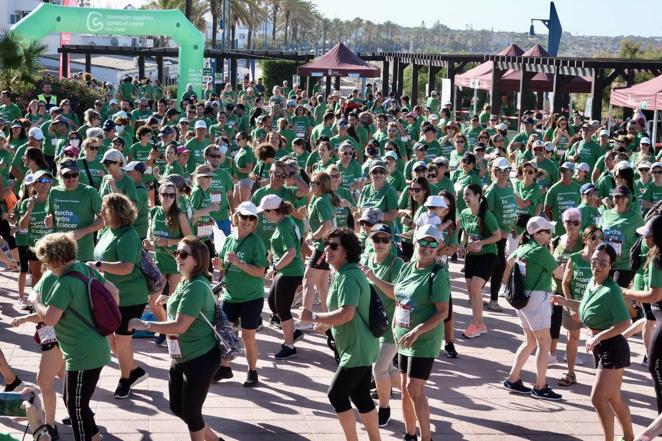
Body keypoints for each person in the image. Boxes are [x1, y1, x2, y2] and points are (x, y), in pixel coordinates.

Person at [128, 236, 223, 441]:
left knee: (191, 412)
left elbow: (180, 326)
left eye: (183, 254)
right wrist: (170, 299)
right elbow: (188, 307)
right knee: (178, 408)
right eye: (177, 252)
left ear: (197, 260)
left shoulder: (196, 286)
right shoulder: (186, 281)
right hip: (181, 354)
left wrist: (142, 324)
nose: (177, 257)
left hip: (200, 358)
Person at [30, 232, 116, 441]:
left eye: (47, 261)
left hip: (82, 355)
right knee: (74, 401)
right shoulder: (85, 268)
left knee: (76, 409)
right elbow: (114, 292)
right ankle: (95, 436)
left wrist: (35, 300)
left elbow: (50, 319)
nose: (46, 266)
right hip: (94, 346)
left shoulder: (64, 283)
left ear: (56, 259)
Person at [300, 228, 381, 441]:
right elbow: (345, 313)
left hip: (357, 348)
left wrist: (314, 317)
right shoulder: (344, 273)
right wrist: (326, 324)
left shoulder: (348, 276)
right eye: (327, 244)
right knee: (361, 396)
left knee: (336, 394)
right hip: (359, 346)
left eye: (334, 246)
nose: (327, 249)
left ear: (347, 251)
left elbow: (346, 313)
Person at [370, 224, 449, 441]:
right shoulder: (407, 267)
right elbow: (398, 297)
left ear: (438, 246)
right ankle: (410, 434)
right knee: (405, 388)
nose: (427, 247)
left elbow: (443, 312)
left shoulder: (437, 273)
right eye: (423, 242)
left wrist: (417, 330)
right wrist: (395, 325)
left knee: (415, 389)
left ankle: (427, 438)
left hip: (424, 339)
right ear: (415, 242)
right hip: (403, 336)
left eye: (432, 243)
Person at [553, 243, 633, 441]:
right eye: (595, 262)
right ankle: (630, 438)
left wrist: (598, 336)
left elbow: (624, 322)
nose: (597, 266)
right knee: (613, 398)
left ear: (611, 265)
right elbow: (587, 305)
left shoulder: (612, 290)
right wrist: (564, 301)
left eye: (603, 263)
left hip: (612, 347)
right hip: (602, 347)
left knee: (598, 399)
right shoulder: (593, 282)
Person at [93, 193, 149, 399]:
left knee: (122, 342)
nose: (100, 214)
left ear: (116, 212)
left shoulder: (129, 235)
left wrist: (98, 265)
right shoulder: (107, 231)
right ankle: (134, 370)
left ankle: (125, 380)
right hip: (109, 296)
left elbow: (126, 267)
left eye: (104, 210)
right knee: (112, 342)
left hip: (130, 297)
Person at [502, 216, 563, 401]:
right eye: (548, 232)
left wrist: (507, 284)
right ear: (538, 234)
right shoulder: (540, 252)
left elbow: (508, 263)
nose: (550, 234)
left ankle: (513, 378)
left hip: (522, 298)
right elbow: (559, 274)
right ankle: (540, 386)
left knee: (530, 341)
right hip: (537, 298)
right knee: (544, 344)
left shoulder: (523, 248)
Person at [217, 202, 267, 386]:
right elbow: (224, 265)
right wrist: (219, 265)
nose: (247, 221)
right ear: (236, 216)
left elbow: (261, 271)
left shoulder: (256, 242)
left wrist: (240, 264)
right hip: (230, 296)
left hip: (251, 297)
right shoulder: (230, 239)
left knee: (248, 337)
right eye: (244, 217)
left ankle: (252, 371)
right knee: (223, 333)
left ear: (255, 221)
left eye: (251, 218)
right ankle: (224, 367)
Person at [360, 223, 404, 428]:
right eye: (376, 239)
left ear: (391, 241)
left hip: (393, 324)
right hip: (373, 323)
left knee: (378, 369)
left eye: (385, 239)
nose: (380, 243)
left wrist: (373, 278)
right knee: (388, 369)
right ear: (370, 240)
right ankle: (413, 389)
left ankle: (384, 408)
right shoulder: (367, 259)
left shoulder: (396, 263)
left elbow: (396, 294)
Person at [622, 217, 662, 412]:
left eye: (649, 236)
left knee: (655, 366)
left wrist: (627, 293)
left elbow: (655, 294)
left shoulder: (658, 259)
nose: (645, 239)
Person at [259, 194, 305, 359]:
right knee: (272, 302)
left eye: (265, 212)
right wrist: (273, 254)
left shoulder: (285, 225)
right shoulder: (284, 222)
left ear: (274, 211)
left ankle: (289, 345)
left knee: (283, 309)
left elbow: (291, 252)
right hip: (286, 270)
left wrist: (276, 267)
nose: (264, 215)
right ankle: (293, 331)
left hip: (290, 272)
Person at [559, 225, 604, 386]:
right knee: (573, 338)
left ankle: (601, 379)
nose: (598, 241)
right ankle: (571, 374)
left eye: (600, 238)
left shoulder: (603, 261)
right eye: (594, 238)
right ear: (585, 239)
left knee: (597, 340)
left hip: (594, 307)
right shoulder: (575, 258)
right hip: (575, 305)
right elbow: (565, 283)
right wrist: (570, 306)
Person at [459, 184, 501, 338]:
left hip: (488, 255)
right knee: (471, 293)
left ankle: (475, 325)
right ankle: (481, 324)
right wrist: (462, 245)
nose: (465, 198)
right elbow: (464, 231)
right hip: (471, 256)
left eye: (468, 194)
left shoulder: (486, 215)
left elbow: (497, 235)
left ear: (478, 196)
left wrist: (481, 243)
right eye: (464, 195)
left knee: (476, 289)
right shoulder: (464, 213)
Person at [45, 160, 103, 262]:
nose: (71, 178)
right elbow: (51, 216)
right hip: (60, 251)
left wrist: (83, 231)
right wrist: (50, 221)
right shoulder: (54, 192)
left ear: (79, 174)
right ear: (60, 175)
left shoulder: (90, 192)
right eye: (67, 175)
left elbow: (104, 219)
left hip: (83, 253)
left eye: (74, 174)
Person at [485, 157, 518, 311]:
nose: (505, 173)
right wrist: (497, 231)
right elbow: (486, 214)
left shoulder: (508, 187)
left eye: (507, 170)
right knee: (497, 266)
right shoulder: (493, 190)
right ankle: (491, 300)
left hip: (505, 234)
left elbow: (510, 209)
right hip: (496, 236)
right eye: (501, 170)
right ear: (495, 171)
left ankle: (485, 296)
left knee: (497, 266)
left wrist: (513, 226)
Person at [599, 186, 645, 290]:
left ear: (628, 198)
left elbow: (643, 239)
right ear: (613, 198)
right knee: (604, 292)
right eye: (617, 197)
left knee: (615, 291)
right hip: (606, 262)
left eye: (623, 197)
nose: (619, 200)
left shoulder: (636, 217)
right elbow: (599, 234)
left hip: (625, 264)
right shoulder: (606, 214)